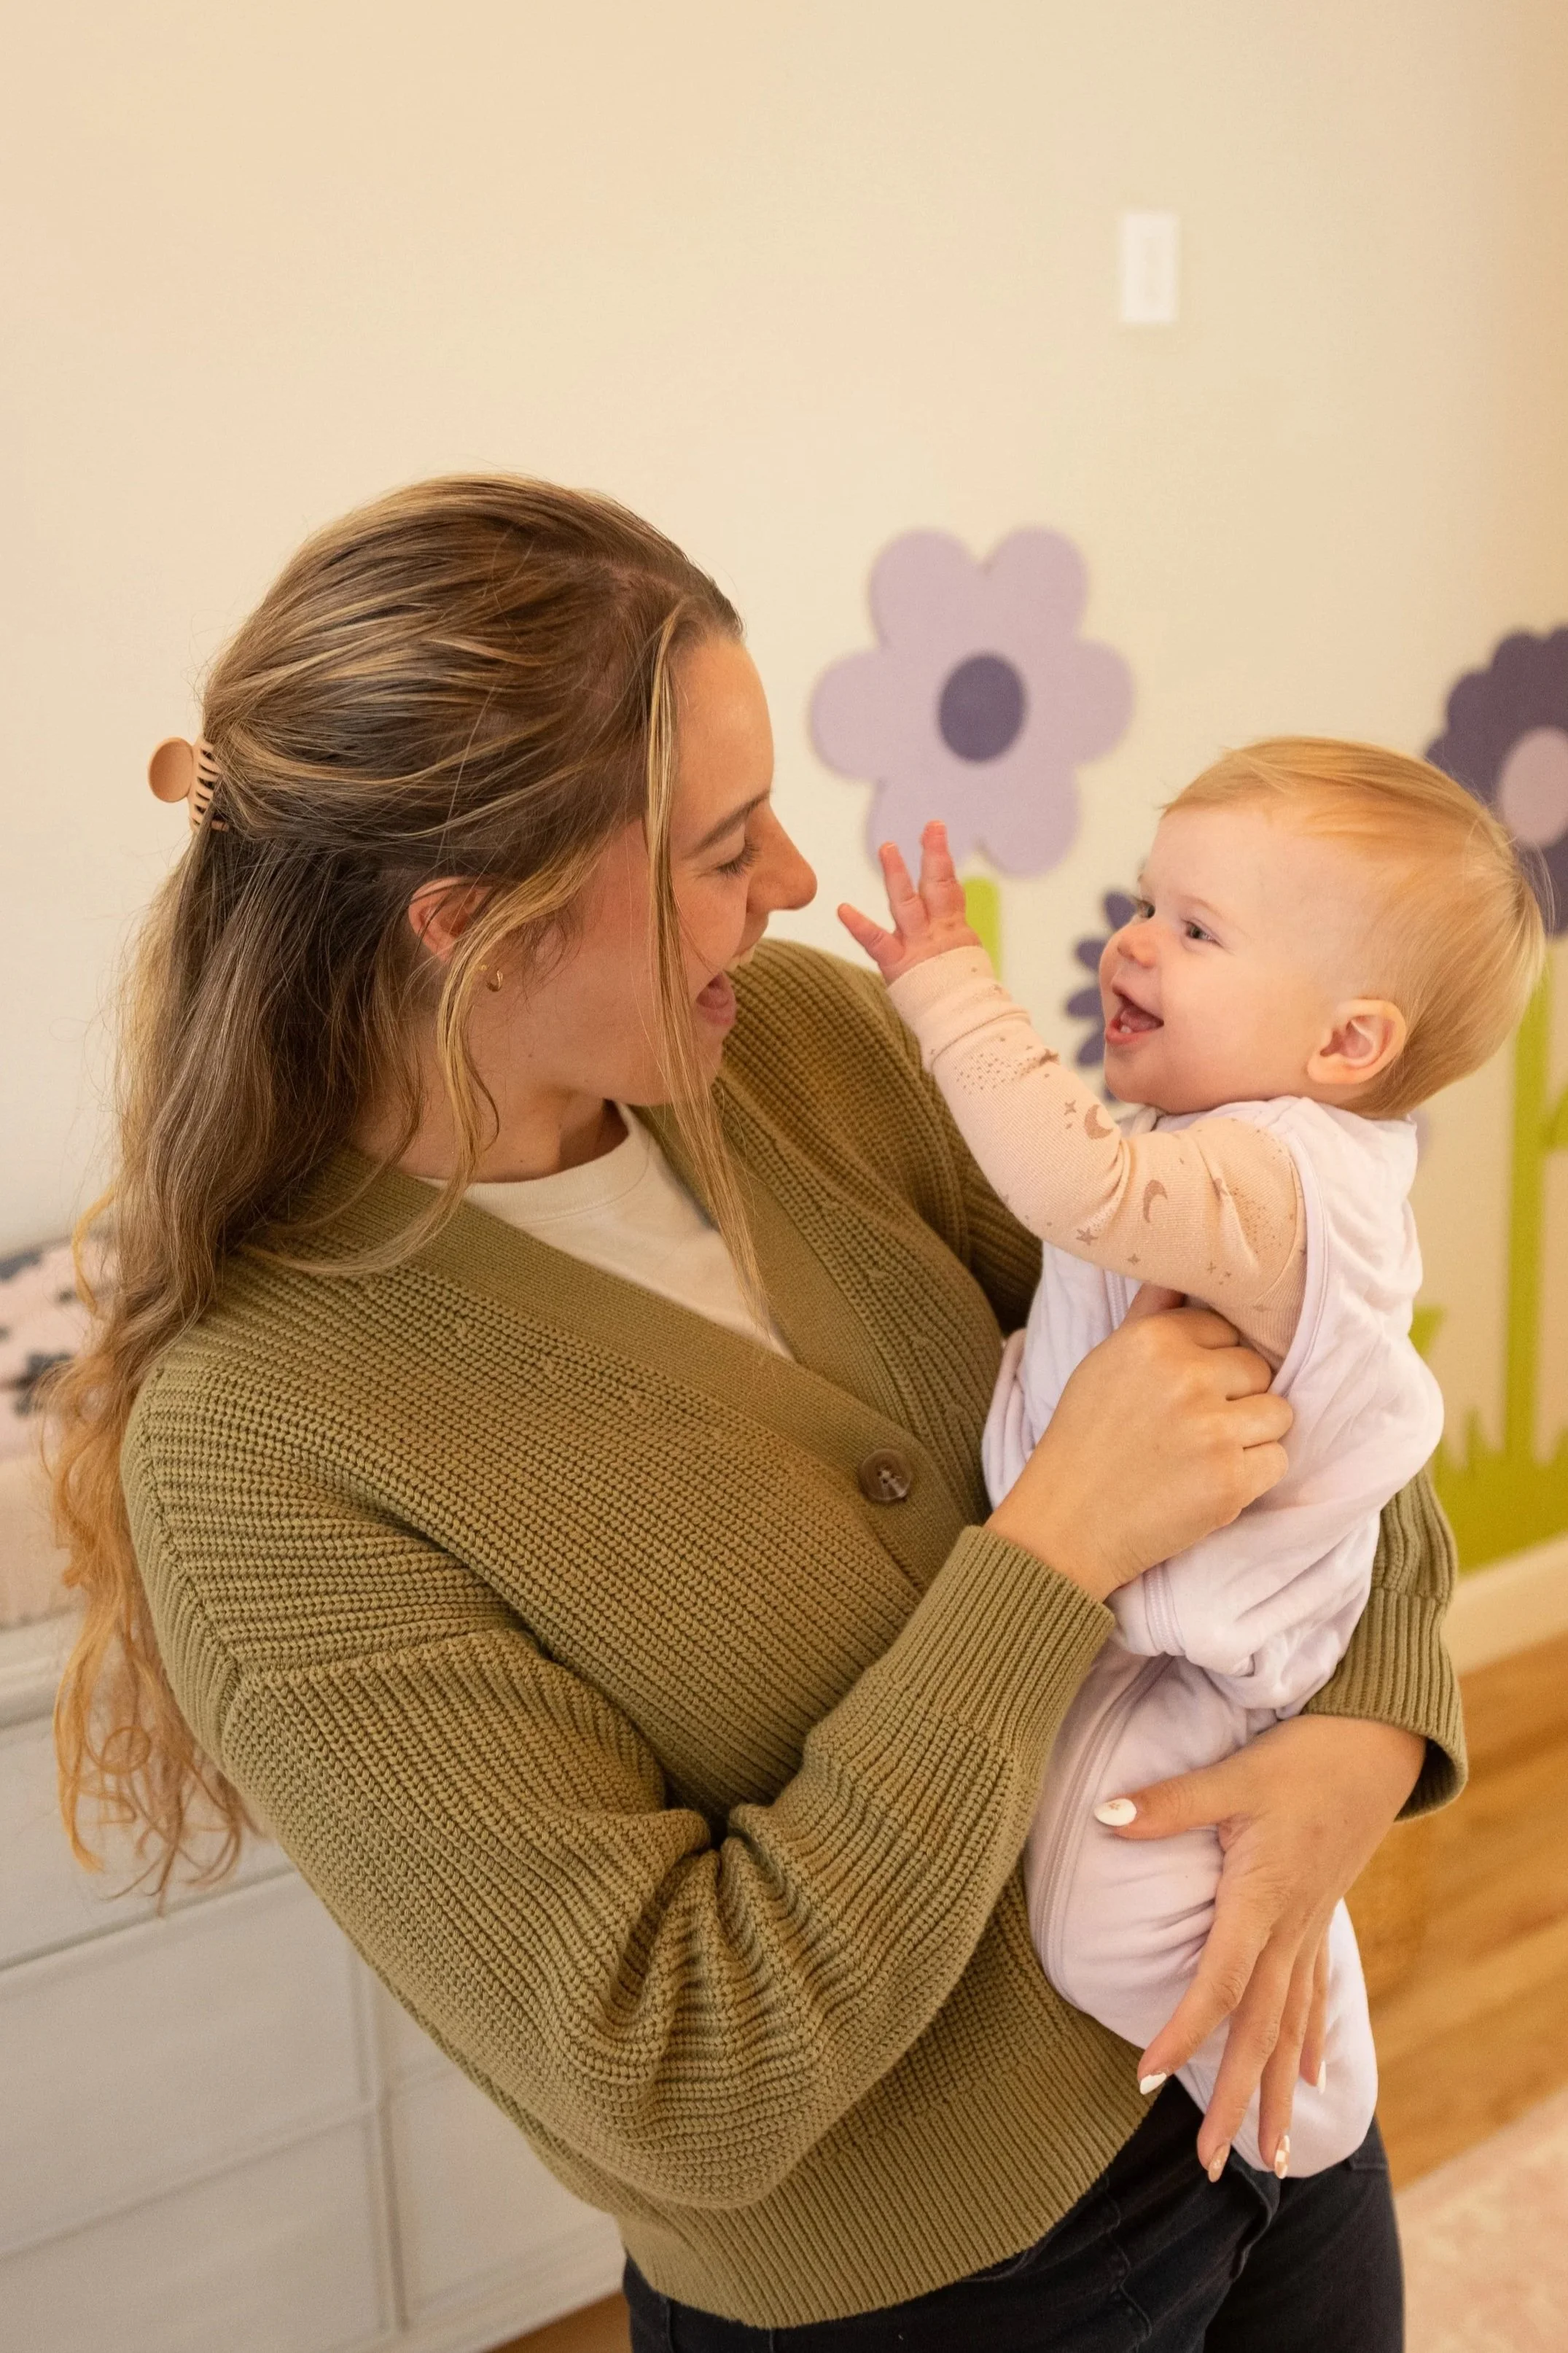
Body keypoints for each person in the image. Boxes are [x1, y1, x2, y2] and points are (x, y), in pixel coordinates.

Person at [51, 478, 1462, 2351]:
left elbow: (1320, 1383)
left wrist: (1359, 1749)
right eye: (723, 848)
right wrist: (1046, 1554)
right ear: (475, 928)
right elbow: (678, 2073)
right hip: (938, 2293)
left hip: (1263, 2112)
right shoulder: (265, 1448)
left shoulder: (805, 1044)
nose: (793, 883)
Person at [841, 761, 1542, 2182]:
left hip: (1210, 1656)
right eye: (1149, 902)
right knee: (1111, 1868)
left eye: (1198, 930)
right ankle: (1285, 2017)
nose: (1135, 940)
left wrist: (946, 989)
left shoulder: (1282, 1182)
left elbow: (1077, 1188)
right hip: (1154, 1623)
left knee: (1100, 1915)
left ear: (1347, 1039)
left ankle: (1305, 2081)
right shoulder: (1254, 1149)